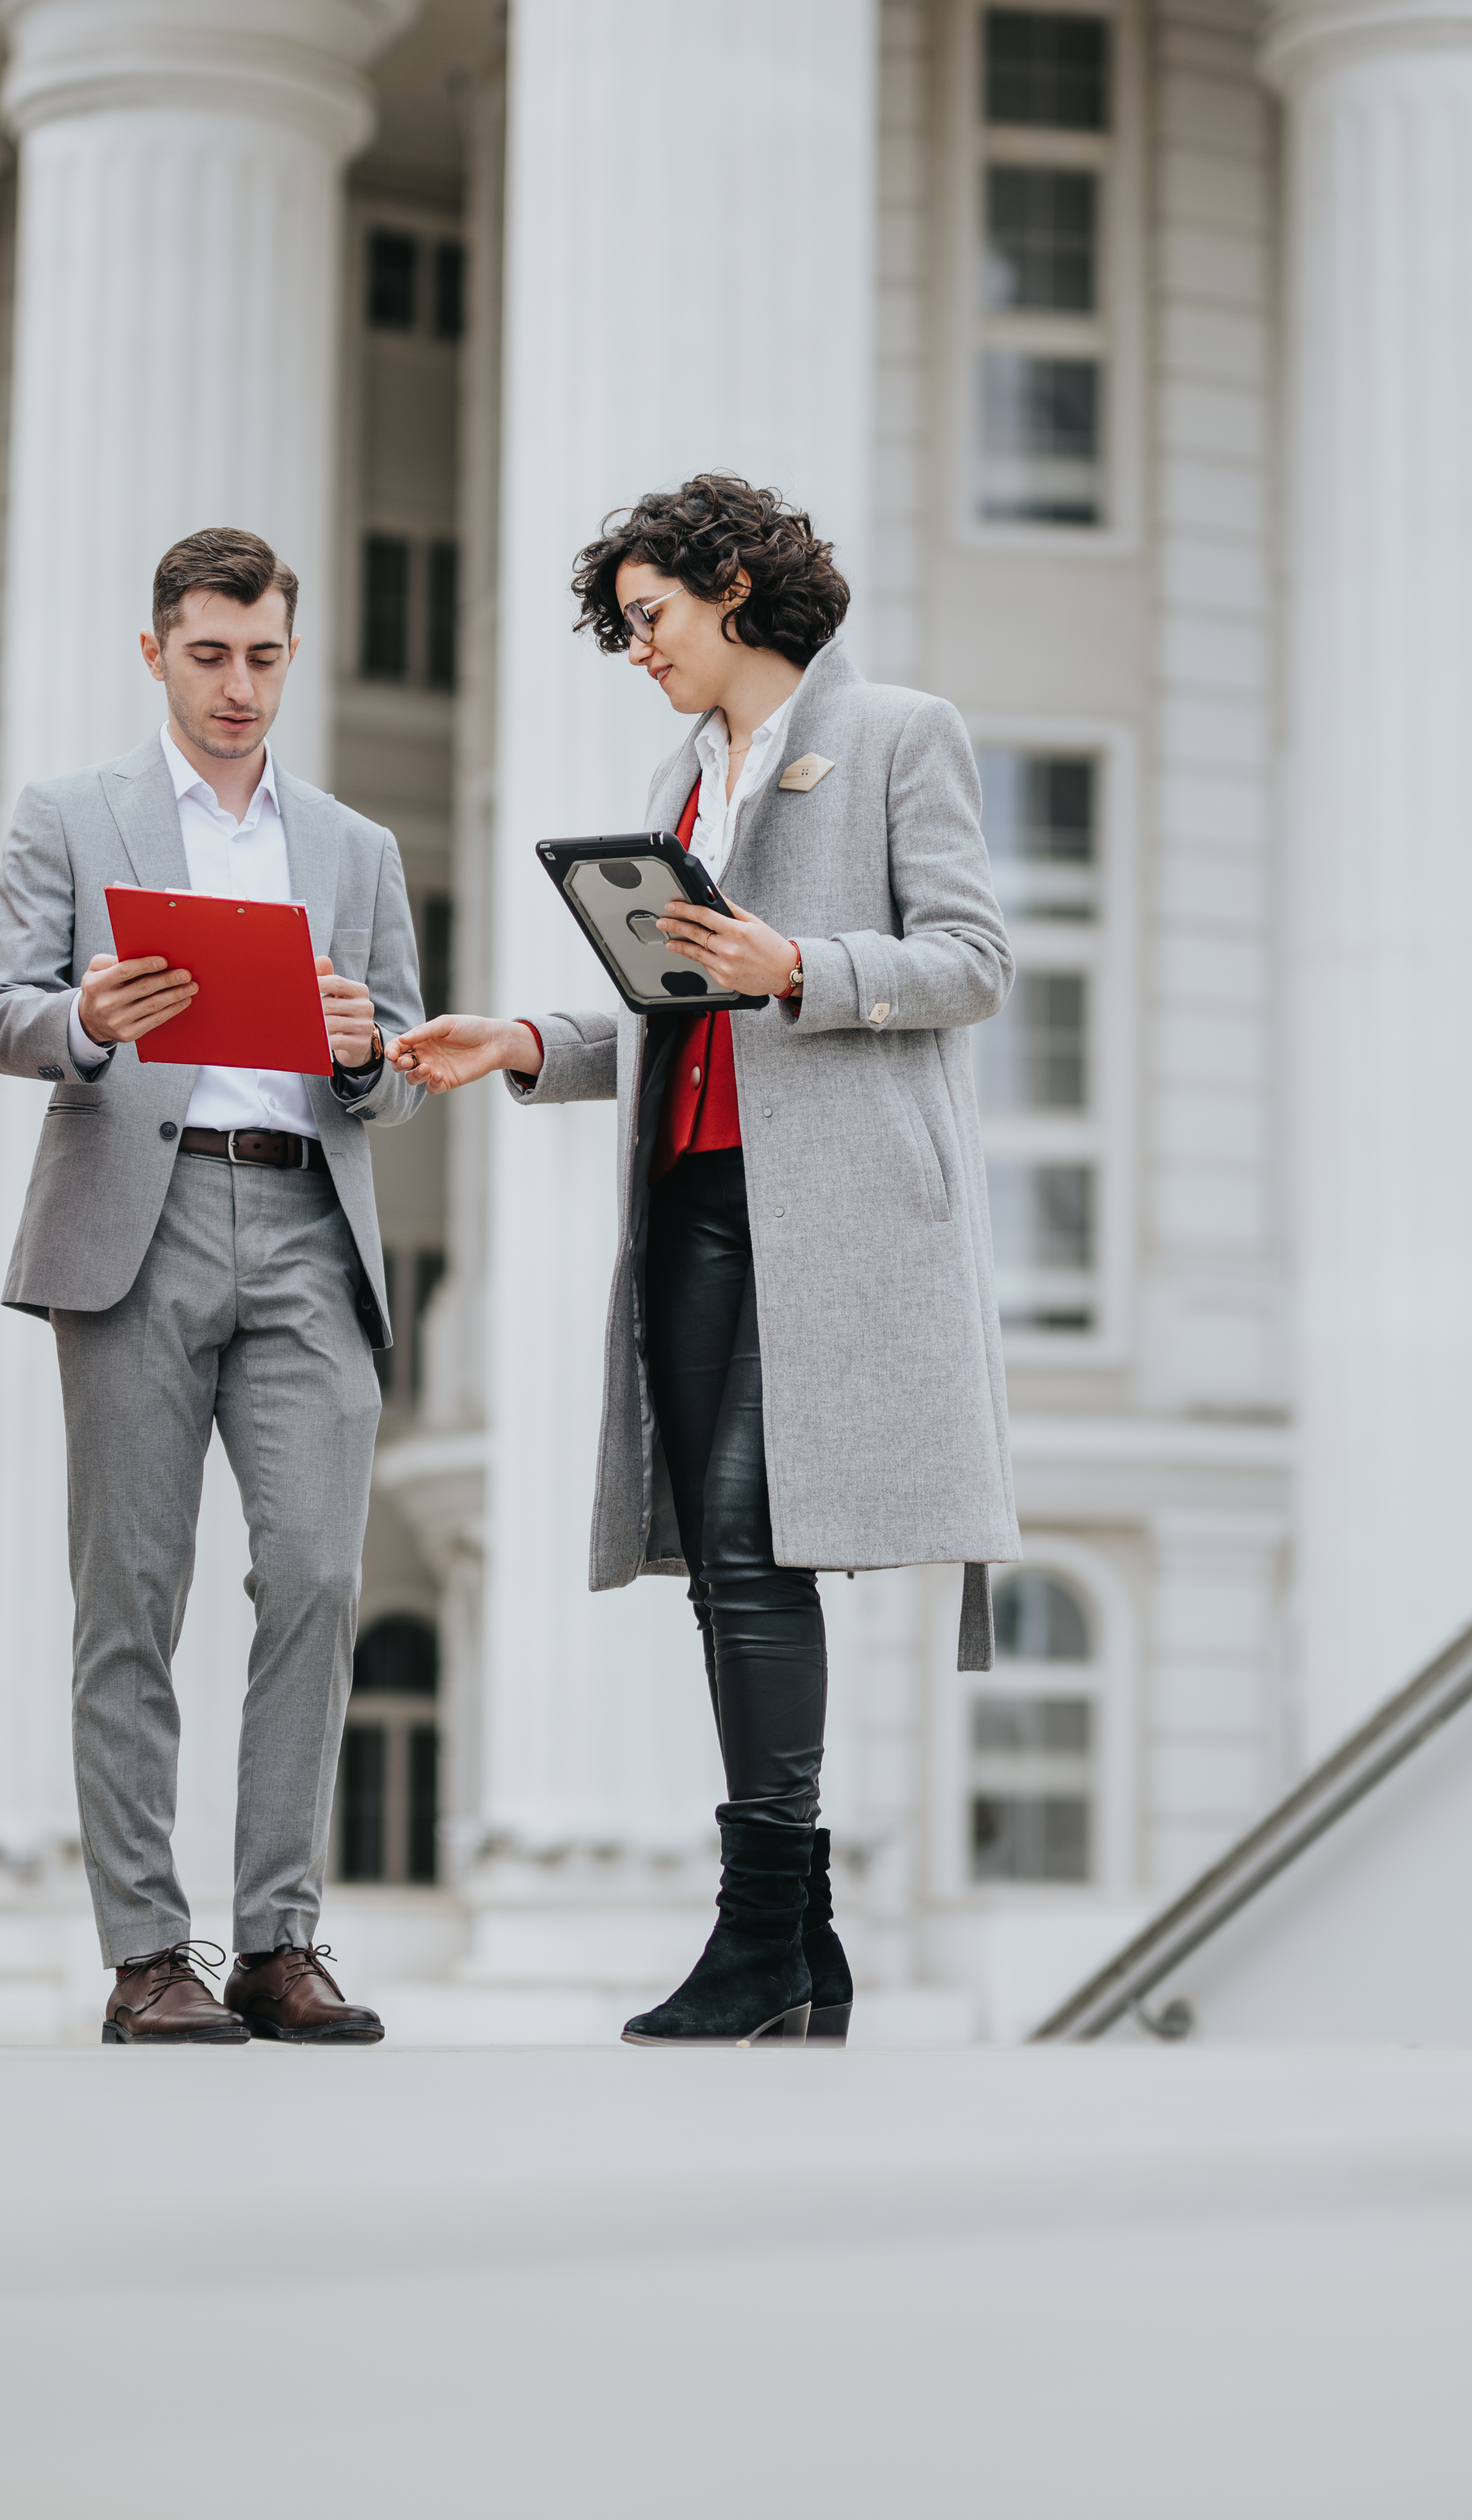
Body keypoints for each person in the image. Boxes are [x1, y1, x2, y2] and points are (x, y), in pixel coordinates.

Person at [394, 472, 1017, 2047]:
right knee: (723, 1563)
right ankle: (801, 1947)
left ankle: (758, 1935)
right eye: (621, 629)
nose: (637, 649)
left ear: (734, 587)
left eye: (650, 616)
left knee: (752, 1544)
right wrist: (529, 1037)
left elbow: (973, 960)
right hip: (687, 1200)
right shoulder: (683, 780)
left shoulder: (898, 735)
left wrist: (799, 962)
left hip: (833, 1215)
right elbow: (680, 1007)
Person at [0, 529, 426, 2046]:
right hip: (136, 1222)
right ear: (156, 650)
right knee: (132, 1596)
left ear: (294, 654)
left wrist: (365, 1050)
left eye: (265, 655)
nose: (239, 686)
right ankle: (148, 1948)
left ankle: (280, 1940)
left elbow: (402, 1068)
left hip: (307, 1220)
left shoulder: (356, 847)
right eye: (211, 653)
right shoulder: (70, 815)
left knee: (316, 1575)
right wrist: (85, 1016)